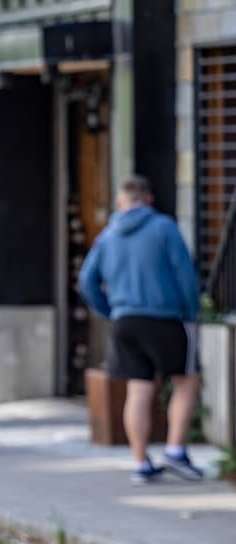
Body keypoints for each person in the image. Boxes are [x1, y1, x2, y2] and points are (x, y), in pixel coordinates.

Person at [78, 175, 204, 484]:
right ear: (148, 200)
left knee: (138, 388)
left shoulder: (107, 236)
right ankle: (175, 450)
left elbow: (86, 281)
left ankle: (141, 463)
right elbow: (185, 275)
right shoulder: (164, 228)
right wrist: (191, 313)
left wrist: (109, 310)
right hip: (166, 318)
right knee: (187, 382)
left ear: (120, 202)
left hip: (125, 321)